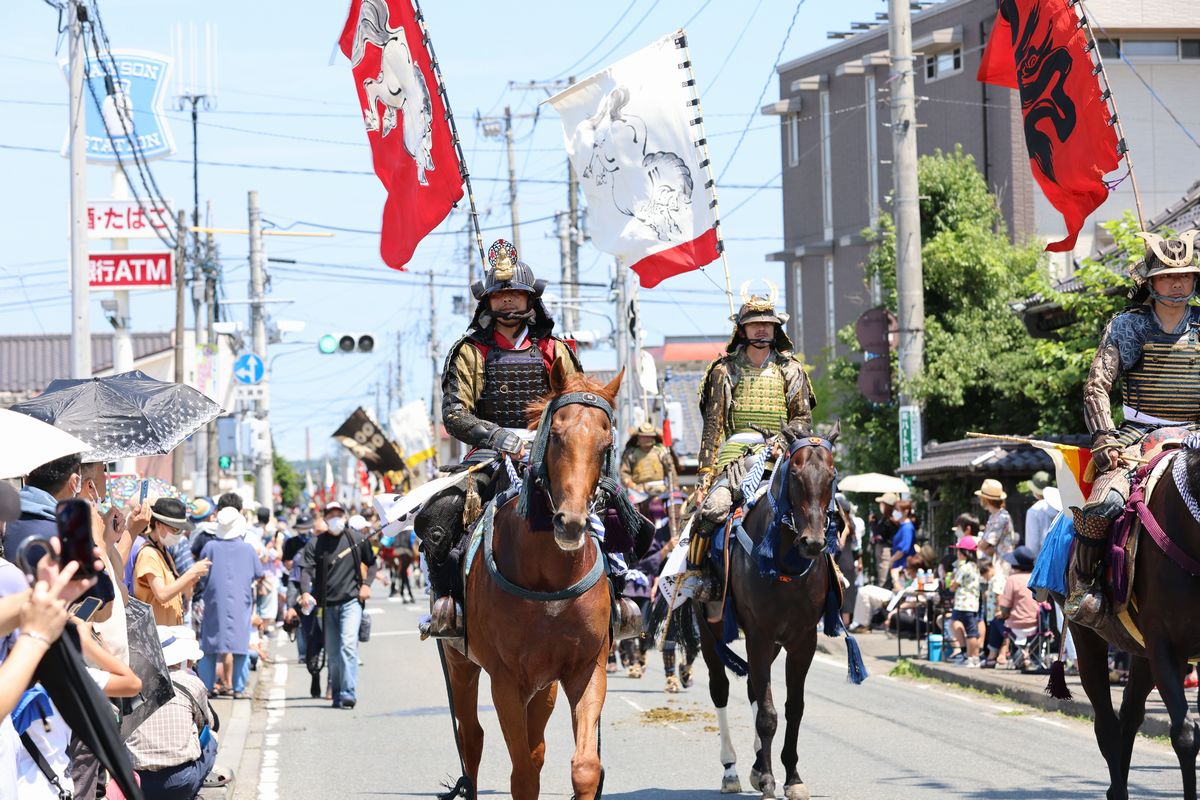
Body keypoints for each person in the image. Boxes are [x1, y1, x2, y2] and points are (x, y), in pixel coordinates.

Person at [421, 238, 583, 638]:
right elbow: (454, 414)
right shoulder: (469, 351)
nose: (508, 303)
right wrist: (502, 440)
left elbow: (577, 402)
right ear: (487, 303)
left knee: (614, 506)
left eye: (516, 295)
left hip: (548, 449)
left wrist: (548, 439)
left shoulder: (554, 349)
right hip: (490, 455)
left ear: (531, 299)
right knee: (438, 514)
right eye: (500, 296)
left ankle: (618, 595)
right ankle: (448, 604)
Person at [1071, 235, 1200, 625]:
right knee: (1105, 502)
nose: (1178, 284)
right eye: (1168, 277)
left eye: (1186, 276)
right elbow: (1097, 385)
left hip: (1197, 435)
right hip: (1139, 436)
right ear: (1150, 282)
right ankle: (1087, 587)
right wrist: (1103, 437)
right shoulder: (1130, 326)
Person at [680, 285, 816, 598]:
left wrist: (782, 439)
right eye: (754, 323)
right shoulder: (723, 370)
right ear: (741, 329)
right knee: (712, 510)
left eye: (767, 323)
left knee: (822, 508)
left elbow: (803, 419)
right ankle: (697, 576)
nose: (761, 328)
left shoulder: (791, 369)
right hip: (738, 458)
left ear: (775, 328)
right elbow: (713, 425)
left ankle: (828, 578)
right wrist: (704, 475)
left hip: (782, 455)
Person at [125, 626, 219, 800]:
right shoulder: (189, 682)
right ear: (178, 659)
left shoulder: (130, 685)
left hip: (137, 781)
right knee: (211, 740)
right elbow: (208, 724)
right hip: (181, 781)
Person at [298, 505, 376, 708]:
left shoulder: (356, 538)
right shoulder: (317, 543)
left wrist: (366, 586)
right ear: (324, 519)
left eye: (339, 515)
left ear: (345, 516)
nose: (335, 518)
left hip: (351, 601)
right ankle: (338, 692)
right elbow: (305, 569)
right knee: (332, 652)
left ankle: (349, 693)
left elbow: (373, 563)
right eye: (331, 515)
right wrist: (305, 591)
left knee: (348, 646)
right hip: (326, 605)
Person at [197, 507, 263, 699]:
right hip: (240, 602)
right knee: (240, 645)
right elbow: (258, 573)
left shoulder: (210, 548)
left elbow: (200, 575)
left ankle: (206, 687)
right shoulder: (247, 549)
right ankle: (239, 688)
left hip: (213, 601)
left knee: (210, 645)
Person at [135, 498, 210, 626]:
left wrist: (191, 581)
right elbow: (162, 594)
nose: (178, 534)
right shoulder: (148, 554)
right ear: (159, 525)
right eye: (175, 530)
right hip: (157, 634)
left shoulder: (164, 552)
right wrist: (191, 573)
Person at [986, 546, 1040, 668]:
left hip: (1017, 626)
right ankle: (1023, 655)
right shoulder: (1036, 578)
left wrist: (1003, 614)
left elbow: (1005, 608)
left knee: (996, 621)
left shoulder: (1012, 579)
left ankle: (992, 656)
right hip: (1038, 626)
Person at [619, 422, 677, 504]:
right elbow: (624, 473)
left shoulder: (661, 452)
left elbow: (671, 472)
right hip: (637, 490)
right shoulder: (631, 453)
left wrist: (675, 488)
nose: (647, 439)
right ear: (638, 437)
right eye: (644, 436)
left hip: (660, 490)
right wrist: (631, 485)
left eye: (649, 436)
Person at [948, 536, 982, 668]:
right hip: (972, 604)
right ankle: (970, 655)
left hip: (963, 603)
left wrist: (951, 582)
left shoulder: (964, 567)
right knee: (965, 628)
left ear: (964, 552)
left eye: (959, 551)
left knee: (967, 630)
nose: (957, 553)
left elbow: (953, 586)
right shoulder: (975, 566)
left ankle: (971, 656)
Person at [974, 479, 1015, 578]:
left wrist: (981, 545)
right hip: (998, 562)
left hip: (1002, 564)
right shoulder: (996, 516)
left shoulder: (1001, 518)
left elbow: (984, 545)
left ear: (986, 499)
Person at [835, 494, 863, 629]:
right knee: (847, 591)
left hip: (843, 561)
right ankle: (845, 622)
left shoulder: (844, 525)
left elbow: (840, 544)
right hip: (849, 560)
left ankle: (844, 623)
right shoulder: (851, 524)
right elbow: (856, 547)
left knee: (844, 593)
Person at [1023, 471, 1059, 555]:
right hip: (1058, 556)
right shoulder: (1060, 507)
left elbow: (1032, 544)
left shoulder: (1034, 511)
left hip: (1040, 560)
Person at [868, 492, 900, 587]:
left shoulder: (891, 519)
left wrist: (872, 523)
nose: (880, 505)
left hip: (886, 550)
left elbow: (879, 533)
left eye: (882, 503)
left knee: (884, 579)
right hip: (886, 550)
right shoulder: (890, 518)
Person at [887, 499, 917, 573]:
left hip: (903, 566)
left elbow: (903, 550)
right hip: (900, 564)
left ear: (906, 511)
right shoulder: (902, 526)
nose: (895, 513)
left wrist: (891, 560)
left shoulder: (907, 528)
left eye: (897, 510)